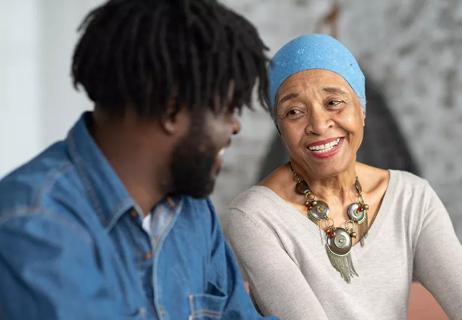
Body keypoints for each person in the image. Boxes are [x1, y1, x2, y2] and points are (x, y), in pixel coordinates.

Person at [0, 1, 278, 319]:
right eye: (228, 109)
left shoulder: (194, 214)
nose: (235, 126)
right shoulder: (35, 227)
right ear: (173, 109)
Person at [222, 34, 462, 319]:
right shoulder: (254, 215)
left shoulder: (412, 197)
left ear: (361, 109)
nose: (320, 125)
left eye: (334, 102)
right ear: (280, 127)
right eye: (295, 111)